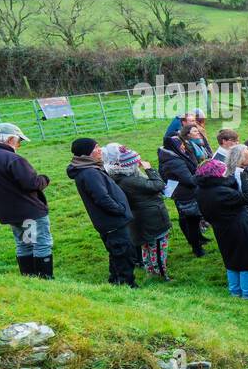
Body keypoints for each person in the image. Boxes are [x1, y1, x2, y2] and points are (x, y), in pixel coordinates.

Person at [0, 123, 53, 277]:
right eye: (19, 141)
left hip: (8, 212)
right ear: (10, 139)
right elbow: (31, 184)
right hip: (30, 211)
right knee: (41, 244)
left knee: (24, 244)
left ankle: (29, 279)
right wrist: (44, 179)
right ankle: (46, 280)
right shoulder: (13, 159)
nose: (19, 145)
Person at [194, 158, 248, 300]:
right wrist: (245, 177)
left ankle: (234, 291)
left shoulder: (201, 190)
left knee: (231, 260)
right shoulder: (220, 191)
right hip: (239, 227)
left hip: (221, 229)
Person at [66, 138, 135, 286]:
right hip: (113, 221)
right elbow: (102, 198)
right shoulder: (89, 172)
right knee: (124, 253)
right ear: (87, 153)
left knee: (117, 252)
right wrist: (120, 210)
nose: (100, 150)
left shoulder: (89, 168)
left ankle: (115, 280)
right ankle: (127, 284)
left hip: (109, 221)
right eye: (96, 147)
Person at [104, 144, 171, 282]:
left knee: (147, 247)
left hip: (140, 219)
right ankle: (160, 276)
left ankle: (152, 272)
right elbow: (158, 185)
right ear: (130, 165)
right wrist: (149, 169)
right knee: (158, 248)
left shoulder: (118, 178)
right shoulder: (132, 181)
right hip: (152, 219)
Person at [159, 123, 207, 258]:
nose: (183, 145)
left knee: (193, 220)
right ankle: (197, 248)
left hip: (186, 192)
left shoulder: (178, 155)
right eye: (180, 144)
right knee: (191, 221)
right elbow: (189, 179)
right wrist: (203, 174)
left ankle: (198, 241)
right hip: (185, 194)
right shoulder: (174, 161)